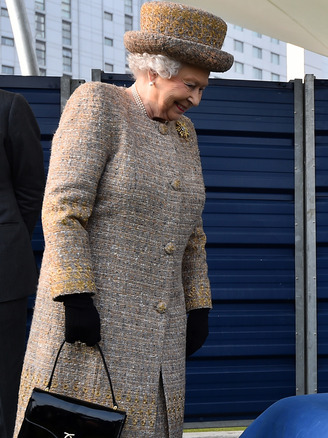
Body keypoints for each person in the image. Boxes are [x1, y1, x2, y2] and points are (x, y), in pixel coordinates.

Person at [13, 2, 233, 437]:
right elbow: (63, 209)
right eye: (190, 85)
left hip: (163, 331)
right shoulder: (99, 104)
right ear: (153, 71)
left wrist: (198, 305)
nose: (196, 99)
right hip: (93, 325)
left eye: (203, 88)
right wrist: (75, 297)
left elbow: (193, 235)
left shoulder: (184, 134)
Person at [0, 89, 45, 438]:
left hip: (2, 275)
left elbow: (31, 190)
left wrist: (9, 239)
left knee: (5, 381)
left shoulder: (10, 107)